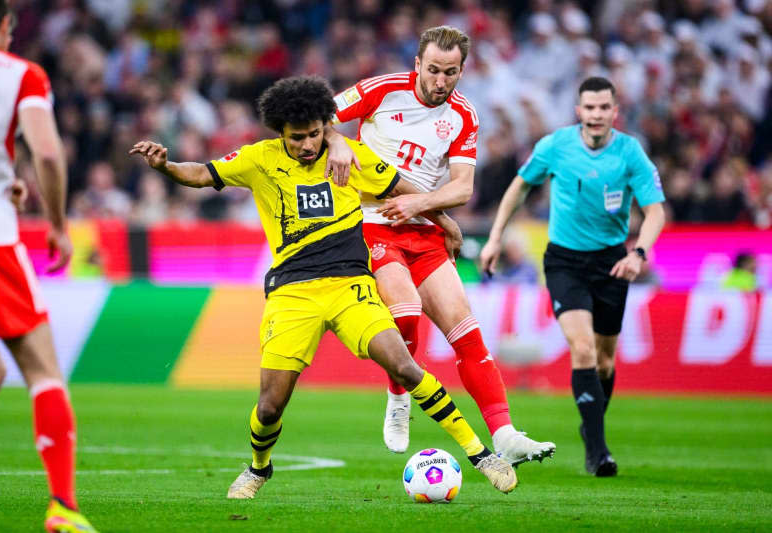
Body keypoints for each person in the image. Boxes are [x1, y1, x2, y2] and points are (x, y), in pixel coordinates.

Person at [130, 76, 519, 500]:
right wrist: (166, 167)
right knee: (269, 406)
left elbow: (398, 185)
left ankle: (482, 457)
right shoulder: (258, 159)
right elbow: (203, 174)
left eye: (316, 134)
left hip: (351, 286)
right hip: (293, 293)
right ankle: (259, 468)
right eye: (298, 138)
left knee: (405, 367)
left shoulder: (348, 155)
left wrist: (444, 220)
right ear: (280, 132)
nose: (308, 144)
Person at [324, 25, 555, 464]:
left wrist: (425, 206)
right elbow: (320, 116)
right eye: (432, 70)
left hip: (424, 231)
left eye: (450, 73)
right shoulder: (383, 89)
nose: (440, 81)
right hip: (371, 223)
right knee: (406, 314)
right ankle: (398, 396)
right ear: (417, 65)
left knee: (466, 333)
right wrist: (337, 139)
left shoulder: (464, 115)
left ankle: (504, 433)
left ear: (461, 71)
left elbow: (462, 188)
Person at [479, 76, 666, 477]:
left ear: (615, 112)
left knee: (604, 361)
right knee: (582, 349)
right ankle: (598, 452)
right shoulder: (555, 146)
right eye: (590, 107)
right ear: (578, 111)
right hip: (564, 261)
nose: (596, 115)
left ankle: (591, 423)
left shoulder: (631, 153)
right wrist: (495, 237)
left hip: (613, 262)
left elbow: (655, 211)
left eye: (604, 108)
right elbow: (519, 187)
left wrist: (639, 253)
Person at [0, 2, 97, 531]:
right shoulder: (21, 72)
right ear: (3, 25)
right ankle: (63, 508)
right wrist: (57, 223)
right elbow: (46, 152)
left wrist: (3, 182)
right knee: (43, 372)